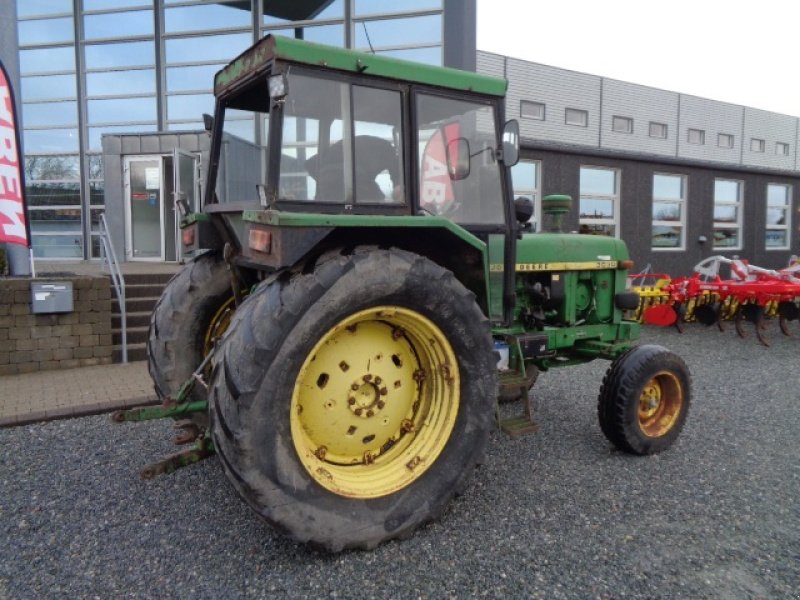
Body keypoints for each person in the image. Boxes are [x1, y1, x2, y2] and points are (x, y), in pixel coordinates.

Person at [306, 135, 401, 202]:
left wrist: (323, 180)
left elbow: (309, 164)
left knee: (334, 205)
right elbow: (399, 190)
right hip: (353, 173)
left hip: (326, 175)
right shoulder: (390, 152)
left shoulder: (375, 146)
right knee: (377, 202)